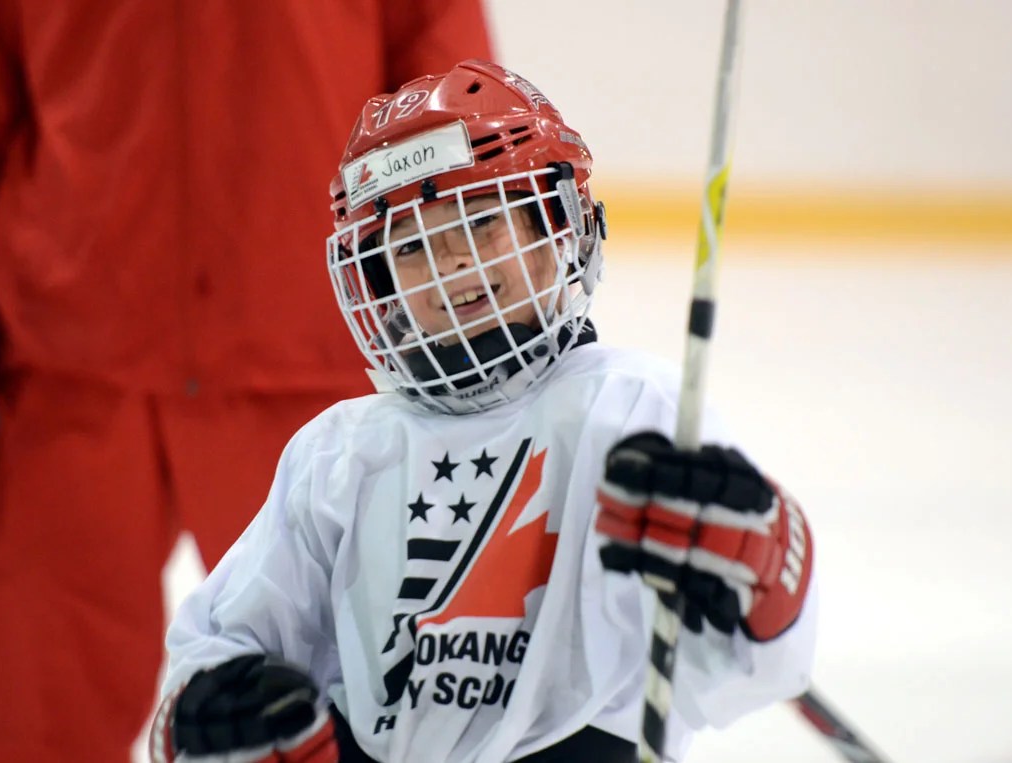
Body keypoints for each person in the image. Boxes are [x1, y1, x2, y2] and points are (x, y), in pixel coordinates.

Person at [150, 59, 818, 763]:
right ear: (374, 280)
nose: (451, 262)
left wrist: (765, 562)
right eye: (410, 245)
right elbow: (220, 646)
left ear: (559, 225)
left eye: (480, 220)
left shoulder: (631, 408)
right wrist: (216, 721)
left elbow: (757, 666)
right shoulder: (339, 453)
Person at [0, 3, 493, 761]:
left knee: (372, 716)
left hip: (313, 368)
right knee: (16, 727)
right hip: (70, 365)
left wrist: (469, 279)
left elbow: (446, 85)